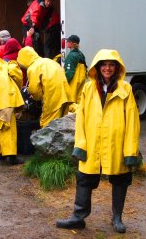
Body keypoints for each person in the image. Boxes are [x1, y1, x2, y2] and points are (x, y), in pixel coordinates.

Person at [56, 49, 141, 233]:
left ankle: (117, 218)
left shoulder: (125, 89)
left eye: (111, 65)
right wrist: (81, 144)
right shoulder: (88, 88)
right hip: (93, 142)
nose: (107, 68)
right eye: (104, 64)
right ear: (98, 67)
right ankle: (78, 217)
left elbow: (133, 121)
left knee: (120, 179)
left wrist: (130, 151)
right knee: (84, 178)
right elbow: (81, 118)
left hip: (116, 143)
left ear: (117, 67)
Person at [17, 46, 71, 128]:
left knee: (48, 123)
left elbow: (35, 91)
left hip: (53, 97)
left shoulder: (33, 68)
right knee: (62, 120)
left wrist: (36, 97)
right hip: (65, 94)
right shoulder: (48, 61)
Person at [64, 35, 87, 108]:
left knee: (71, 103)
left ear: (72, 43)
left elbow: (69, 72)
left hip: (73, 82)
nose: (66, 42)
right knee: (79, 100)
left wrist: (64, 82)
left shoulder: (71, 56)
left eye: (68, 41)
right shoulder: (80, 54)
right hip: (80, 81)